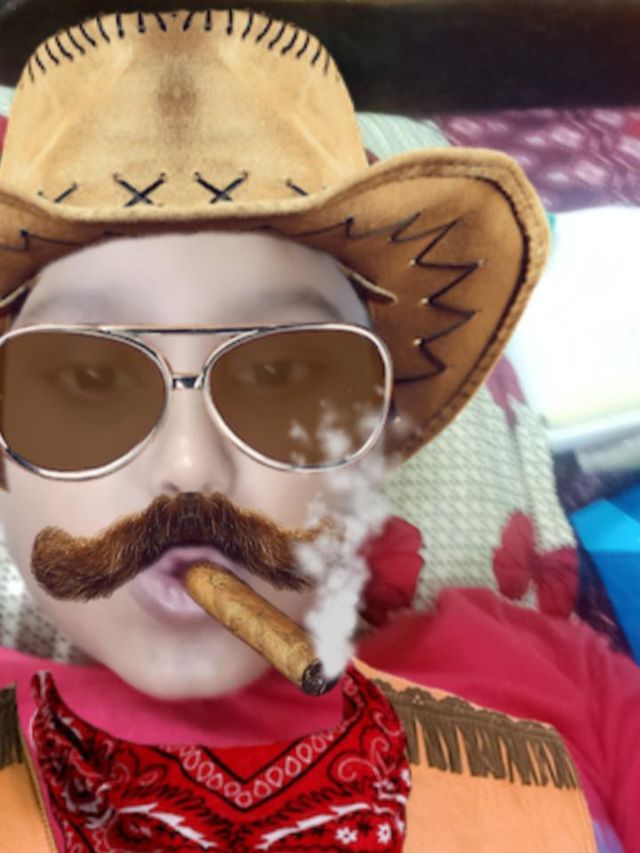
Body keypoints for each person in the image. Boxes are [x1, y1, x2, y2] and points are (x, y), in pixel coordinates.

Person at [0, 8, 637, 852]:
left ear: (379, 441)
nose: (190, 463)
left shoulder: (549, 677)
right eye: (87, 378)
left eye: (283, 375)